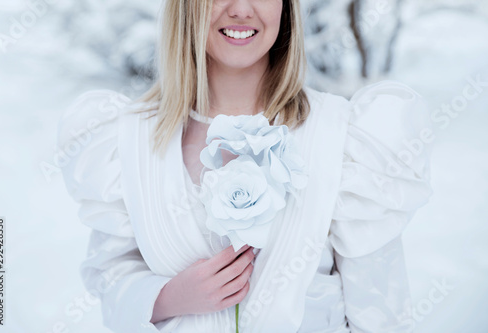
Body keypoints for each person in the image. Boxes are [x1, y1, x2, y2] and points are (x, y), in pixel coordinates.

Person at [58, 0, 433, 332]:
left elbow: (381, 311)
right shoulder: (130, 140)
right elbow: (111, 278)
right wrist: (168, 297)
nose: (240, 9)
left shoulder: (342, 138)